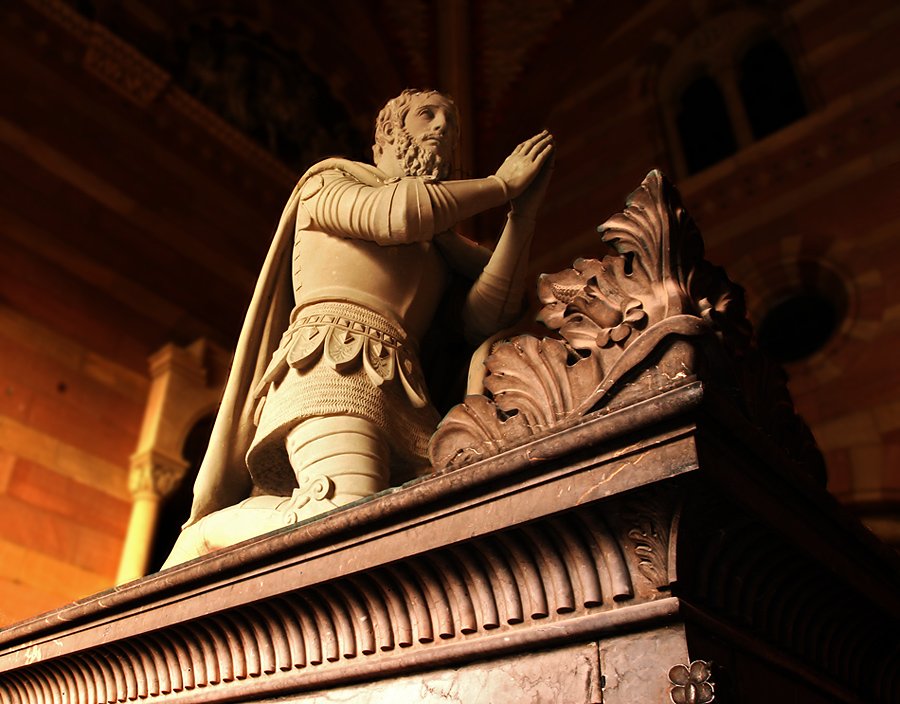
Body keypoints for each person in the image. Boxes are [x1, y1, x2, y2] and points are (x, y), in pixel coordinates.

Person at [163, 89, 554, 566]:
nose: (442, 128)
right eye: (426, 115)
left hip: (406, 394)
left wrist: (521, 216)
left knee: (407, 538)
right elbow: (396, 215)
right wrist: (499, 186)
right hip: (331, 362)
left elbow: (484, 315)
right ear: (388, 133)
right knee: (342, 514)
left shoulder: (440, 244)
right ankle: (204, 536)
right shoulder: (329, 184)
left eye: (450, 123)